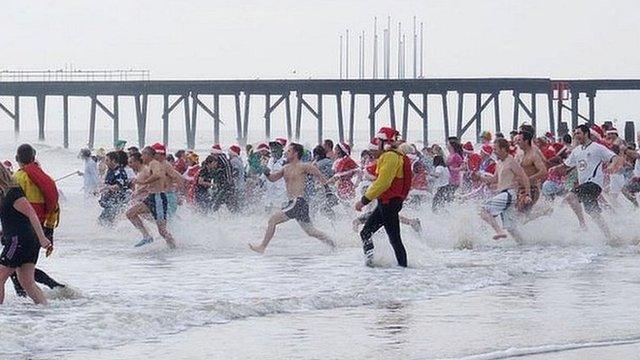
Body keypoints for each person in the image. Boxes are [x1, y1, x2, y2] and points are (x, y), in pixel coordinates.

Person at [249, 143, 336, 254]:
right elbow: (273, 178)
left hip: (298, 201)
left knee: (272, 220)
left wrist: (328, 191)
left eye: (289, 151)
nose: (286, 153)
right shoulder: (285, 168)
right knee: (310, 231)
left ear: (296, 153)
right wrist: (266, 172)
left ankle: (262, 247)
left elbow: (320, 176)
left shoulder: (304, 166)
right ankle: (333, 243)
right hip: (294, 203)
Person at [549, 124, 622, 242]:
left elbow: (614, 157)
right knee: (594, 213)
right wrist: (555, 168)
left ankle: (582, 225)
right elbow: (567, 164)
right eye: (575, 134)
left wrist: (611, 166)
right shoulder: (576, 151)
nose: (576, 136)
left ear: (586, 133)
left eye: (578, 133)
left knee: (570, 197)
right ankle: (611, 237)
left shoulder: (597, 147)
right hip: (585, 185)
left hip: (594, 184)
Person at [11, 144, 65, 296]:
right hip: (38, 228)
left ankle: (29, 297)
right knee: (21, 268)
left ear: (17, 159)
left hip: (21, 230)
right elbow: (53, 206)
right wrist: (49, 231)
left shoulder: (18, 177)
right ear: (34, 159)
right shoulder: (44, 178)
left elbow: (11, 205)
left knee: (14, 267)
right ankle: (51, 290)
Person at [355, 127, 412, 267]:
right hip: (387, 202)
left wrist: (364, 200)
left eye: (378, 140)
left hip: (389, 202)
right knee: (366, 233)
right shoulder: (393, 156)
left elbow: (383, 182)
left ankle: (402, 270)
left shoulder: (390, 156)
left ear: (384, 142)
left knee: (394, 239)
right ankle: (371, 264)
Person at [0, 165, 53, 305]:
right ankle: (46, 309)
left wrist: (42, 238)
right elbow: (10, 218)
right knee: (26, 282)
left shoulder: (13, 193)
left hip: (19, 241)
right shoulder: (3, 194)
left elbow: (31, 213)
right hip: (24, 241)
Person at [477, 138, 531, 243]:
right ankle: (524, 245)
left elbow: (525, 178)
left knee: (483, 210)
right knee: (511, 228)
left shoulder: (512, 162)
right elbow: (494, 179)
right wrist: (480, 178)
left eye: (496, 149)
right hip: (504, 195)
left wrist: (527, 194)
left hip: (509, 194)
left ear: (503, 149)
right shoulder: (499, 163)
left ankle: (499, 232)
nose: (494, 151)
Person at [126, 144, 177, 248]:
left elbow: (157, 175)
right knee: (130, 213)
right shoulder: (149, 166)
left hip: (158, 198)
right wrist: (140, 189)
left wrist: (143, 182)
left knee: (162, 231)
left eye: (143, 154)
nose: (141, 157)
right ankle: (146, 236)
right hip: (151, 197)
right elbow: (158, 180)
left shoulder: (154, 163)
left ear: (148, 155)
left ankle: (174, 248)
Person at [98, 151, 129, 225]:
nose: (105, 162)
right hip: (109, 201)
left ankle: (111, 235)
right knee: (104, 222)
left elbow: (118, 187)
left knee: (103, 221)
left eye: (107, 160)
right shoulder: (110, 170)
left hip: (116, 202)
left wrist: (105, 188)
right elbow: (107, 183)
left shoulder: (120, 172)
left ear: (114, 161)